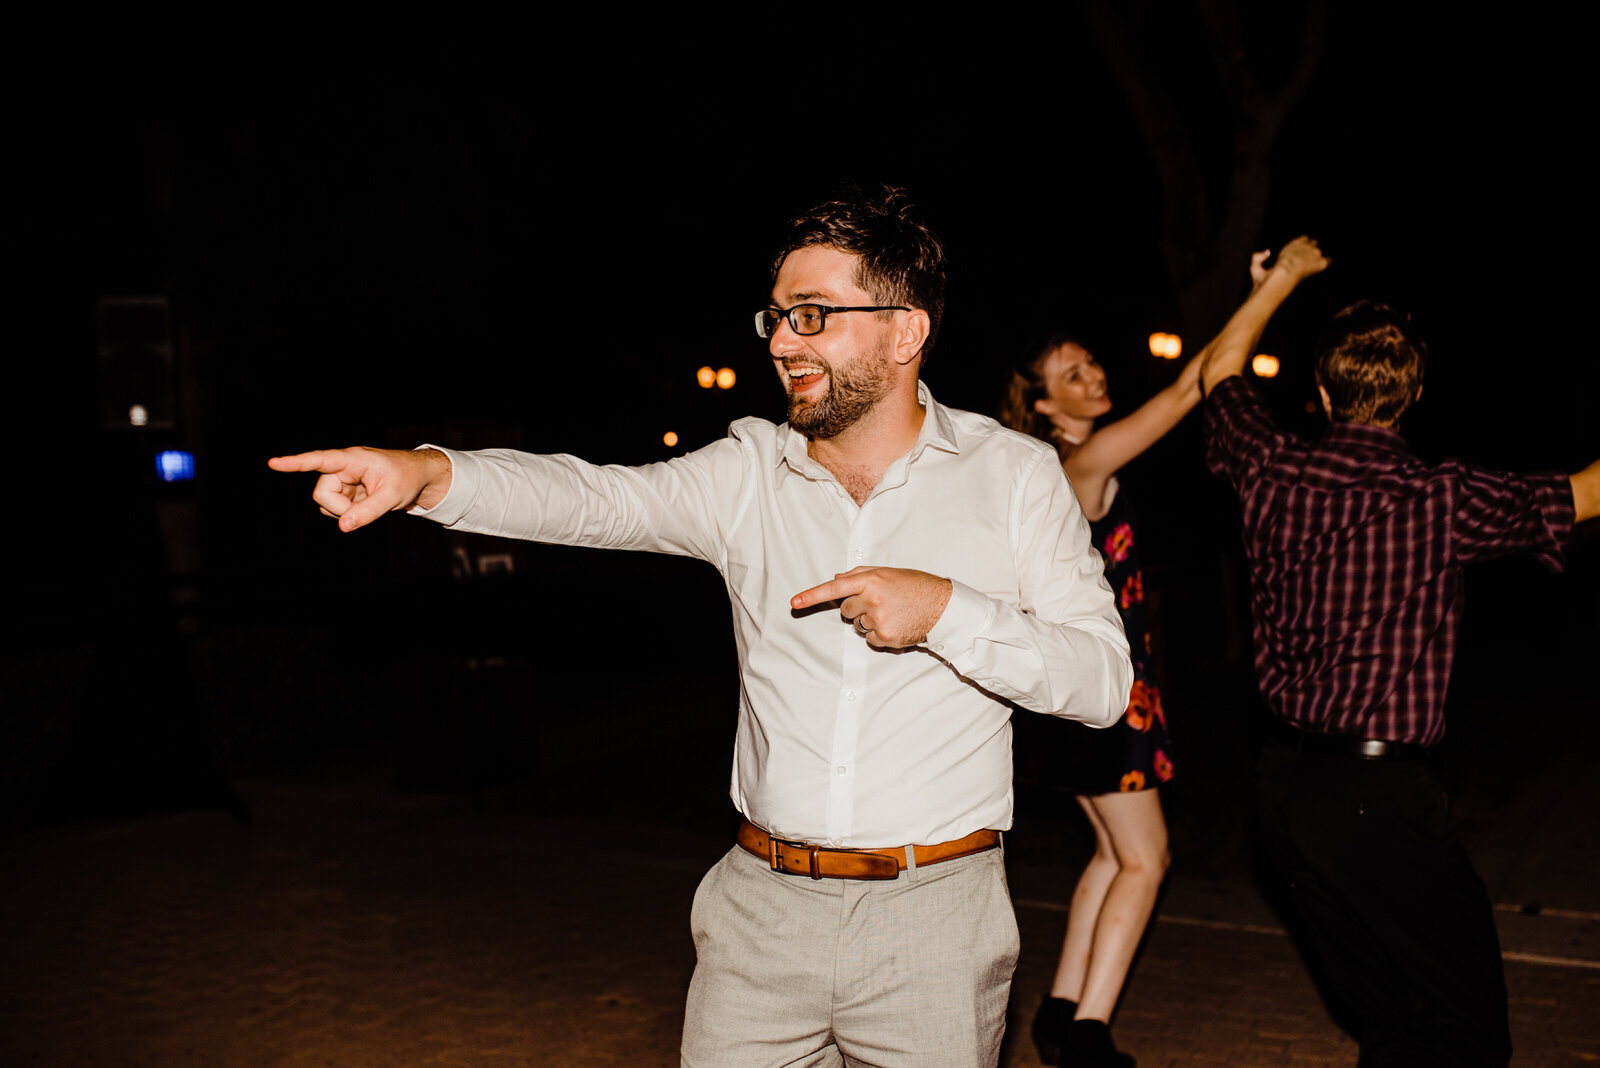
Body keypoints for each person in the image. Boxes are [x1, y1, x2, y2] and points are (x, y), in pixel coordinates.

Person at [269, 184, 1133, 1068]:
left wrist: (948, 611)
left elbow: (1103, 684)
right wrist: (424, 474)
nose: (782, 342)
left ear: (904, 331)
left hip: (935, 922)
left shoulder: (1017, 477)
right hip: (759, 917)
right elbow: (596, 497)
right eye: (777, 319)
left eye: (812, 316)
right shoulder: (746, 472)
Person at [1198, 238, 1600, 1066]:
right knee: (1466, 1025)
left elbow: (1219, 372)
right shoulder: (1442, 497)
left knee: (1391, 1019)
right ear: (1414, 393)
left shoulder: (1270, 467)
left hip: (1281, 794)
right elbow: (1588, 493)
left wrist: (1279, 282)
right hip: (1379, 798)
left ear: (1319, 389)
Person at [1001, 249, 1274, 1068]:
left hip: (1082, 702)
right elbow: (1191, 388)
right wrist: (1267, 294)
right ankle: (1090, 1036)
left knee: (1114, 855)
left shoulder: (1048, 468)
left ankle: (1059, 1014)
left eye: (1090, 364)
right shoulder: (1079, 463)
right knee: (1148, 860)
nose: (1092, 376)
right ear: (1045, 405)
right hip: (1106, 707)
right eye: (1071, 376)